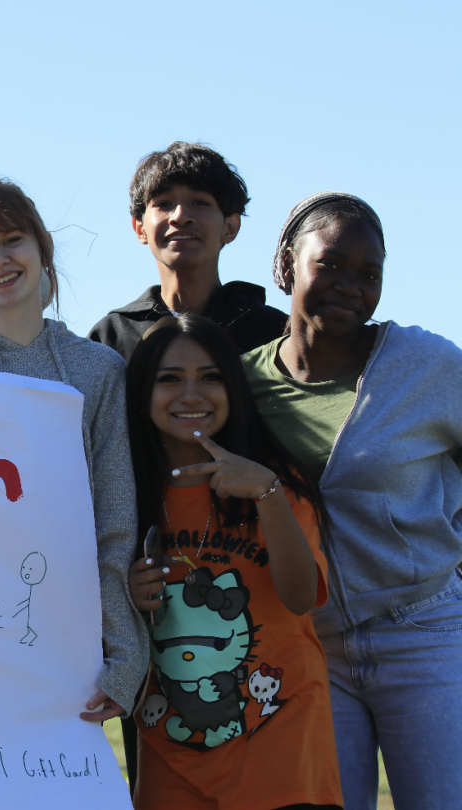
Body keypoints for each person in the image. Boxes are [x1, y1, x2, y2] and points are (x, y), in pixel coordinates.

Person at [243, 193, 462, 810]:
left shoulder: (428, 366)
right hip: (310, 646)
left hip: (426, 633)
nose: (350, 285)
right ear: (287, 265)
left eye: (370, 274)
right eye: (331, 264)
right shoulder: (242, 385)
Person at [0, 178, 148, 722]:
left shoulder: (99, 369)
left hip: (66, 639)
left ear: (43, 248)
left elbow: (113, 522)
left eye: (11, 240)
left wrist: (125, 656)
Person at [125, 314, 341, 810]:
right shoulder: (127, 494)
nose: (191, 394)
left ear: (234, 389)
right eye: (169, 379)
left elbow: (302, 596)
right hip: (170, 750)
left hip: (280, 737)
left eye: (210, 377)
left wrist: (267, 494)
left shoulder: (275, 484)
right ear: (141, 393)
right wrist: (129, 593)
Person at [89, 142, 287, 360]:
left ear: (230, 227)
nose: (180, 216)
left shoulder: (275, 334)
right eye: (163, 203)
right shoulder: (111, 338)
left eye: (200, 202)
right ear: (140, 228)